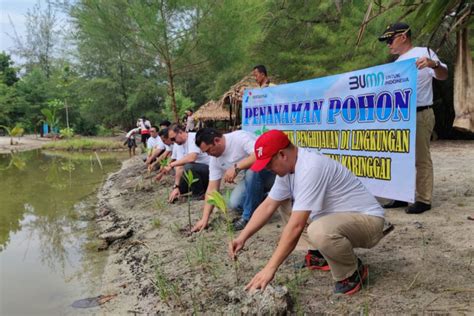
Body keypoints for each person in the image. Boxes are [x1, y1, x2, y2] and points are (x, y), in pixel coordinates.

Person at [229, 130, 385, 295]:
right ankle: (320, 254)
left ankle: (352, 273)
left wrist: (269, 268)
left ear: (282, 154)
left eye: (269, 164)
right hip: (340, 219)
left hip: (368, 221)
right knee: (284, 203)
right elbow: (268, 206)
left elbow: (296, 226)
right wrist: (242, 237)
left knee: (318, 231)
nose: (268, 169)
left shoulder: (310, 167)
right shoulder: (287, 171)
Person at [378, 22, 448, 214]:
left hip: (420, 113)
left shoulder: (423, 53)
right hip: (400, 117)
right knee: (399, 157)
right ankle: (401, 196)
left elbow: (442, 75)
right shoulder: (396, 64)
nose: (388, 44)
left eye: (390, 40)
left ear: (403, 36)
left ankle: (423, 199)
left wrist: (433, 64)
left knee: (421, 158)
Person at [193, 128, 275, 231]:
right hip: (253, 181)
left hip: (274, 173)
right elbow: (211, 189)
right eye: (206, 152)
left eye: (209, 150)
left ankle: (247, 218)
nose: (209, 154)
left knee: (253, 170)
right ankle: (266, 198)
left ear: (216, 140)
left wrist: (236, 167)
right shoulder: (215, 160)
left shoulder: (239, 137)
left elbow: (259, 155)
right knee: (234, 203)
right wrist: (204, 219)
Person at [159, 124, 210, 203]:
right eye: (171, 140)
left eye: (173, 138)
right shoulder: (178, 144)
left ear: (180, 132)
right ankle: (191, 191)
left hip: (208, 171)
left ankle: (199, 194)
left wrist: (171, 164)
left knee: (188, 166)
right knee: (179, 190)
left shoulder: (194, 138)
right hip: (194, 173)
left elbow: (192, 158)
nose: (173, 142)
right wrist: (176, 187)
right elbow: (179, 167)